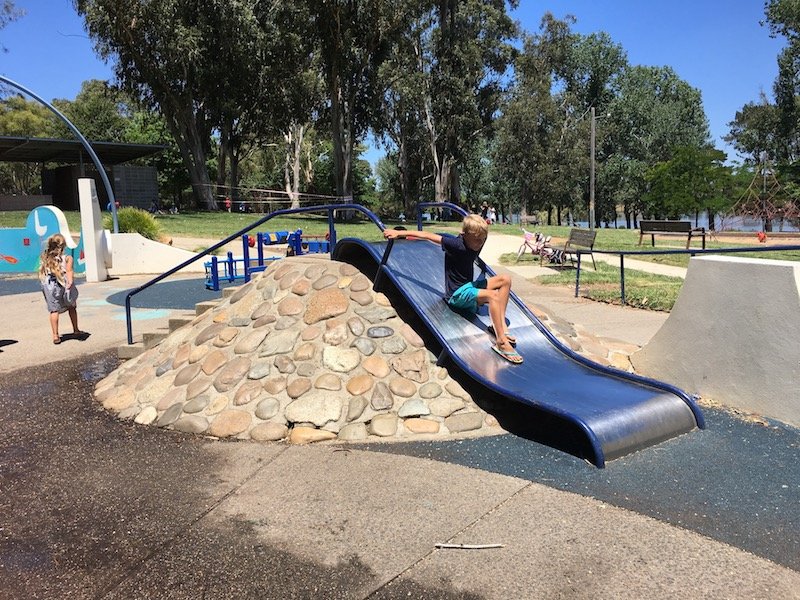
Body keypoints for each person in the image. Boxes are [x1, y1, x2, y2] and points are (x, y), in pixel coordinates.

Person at [383, 214, 522, 364]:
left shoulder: (479, 239)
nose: (480, 243)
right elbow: (427, 235)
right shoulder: (455, 244)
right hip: (456, 295)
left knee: (505, 279)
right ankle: (501, 342)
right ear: (464, 235)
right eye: (476, 239)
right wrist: (399, 233)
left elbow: (479, 234)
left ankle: (500, 328)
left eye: (483, 239)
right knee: (493, 296)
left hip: (469, 287)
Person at [39, 234, 86, 345]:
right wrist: (70, 282)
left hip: (50, 286)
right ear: (64, 245)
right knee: (72, 307)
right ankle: (75, 329)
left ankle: (55, 335)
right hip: (63, 284)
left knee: (54, 310)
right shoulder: (68, 258)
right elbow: (69, 271)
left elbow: (43, 272)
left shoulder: (45, 257)